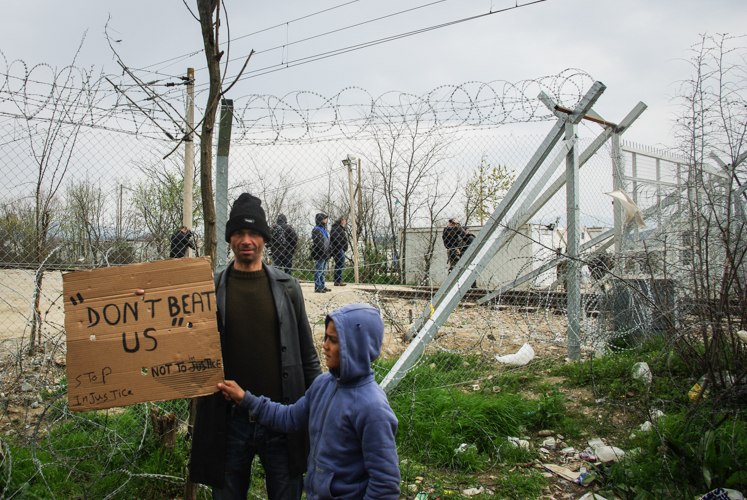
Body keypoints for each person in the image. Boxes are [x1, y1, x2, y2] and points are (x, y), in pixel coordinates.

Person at [189, 193, 322, 500]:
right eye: (239, 233)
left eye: (253, 233)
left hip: (283, 418)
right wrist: (145, 307)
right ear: (229, 238)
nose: (246, 240)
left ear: (264, 238)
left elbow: (307, 356)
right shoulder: (210, 290)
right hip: (229, 423)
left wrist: (321, 406)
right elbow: (179, 339)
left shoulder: (287, 288)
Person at [218, 303, 401, 500]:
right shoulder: (323, 385)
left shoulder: (372, 408)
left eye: (333, 340)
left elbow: (385, 483)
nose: (324, 345)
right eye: (325, 337)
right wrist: (247, 400)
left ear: (355, 347)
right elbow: (290, 418)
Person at [311, 213, 331, 293]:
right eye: (324, 218)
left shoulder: (324, 230)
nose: (326, 220)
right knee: (319, 270)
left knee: (323, 271)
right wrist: (323, 250)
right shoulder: (316, 229)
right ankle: (317, 286)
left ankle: (322, 285)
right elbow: (317, 242)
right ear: (320, 220)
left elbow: (327, 241)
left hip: (326, 253)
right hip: (320, 253)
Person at [330, 216, 349, 286]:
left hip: (339, 249)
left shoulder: (339, 229)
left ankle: (338, 280)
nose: (345, 222)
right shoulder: (336, 229)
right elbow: (336, 240)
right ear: (341, 221)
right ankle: (338, 280)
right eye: (344, 220)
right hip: (337, 250)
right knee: (340, 264)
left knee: (340, 264)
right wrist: (341, 247)